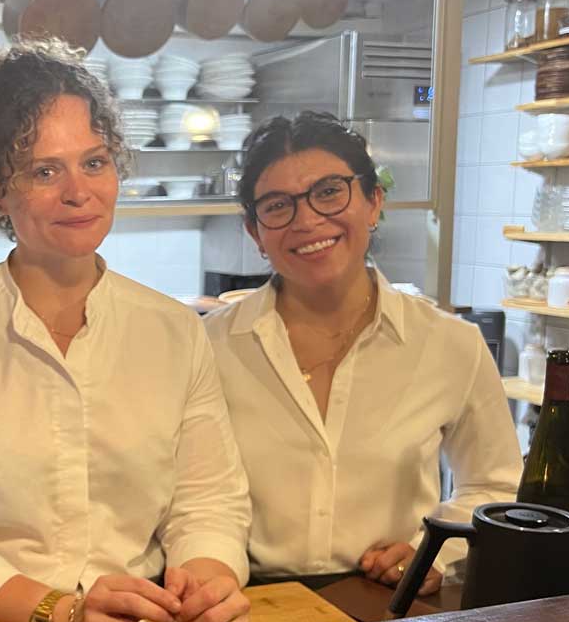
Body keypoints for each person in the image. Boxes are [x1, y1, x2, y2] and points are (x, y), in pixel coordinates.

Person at [0, 41, 252, 622]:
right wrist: (56, 615)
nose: (79, 192)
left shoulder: (174, 331)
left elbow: (207, 498)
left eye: (95, 162)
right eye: (45, 171)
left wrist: (208, 583)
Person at [204, 111, 520, 595]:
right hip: (248, 606)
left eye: (329, 191)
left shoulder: (450, 344)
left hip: (391, 612)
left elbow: (495, 486)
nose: (308, 220)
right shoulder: (212, 346)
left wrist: (434, 550)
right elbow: (193, 495)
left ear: (373, 202)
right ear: (255, 234)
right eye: (277, 205)